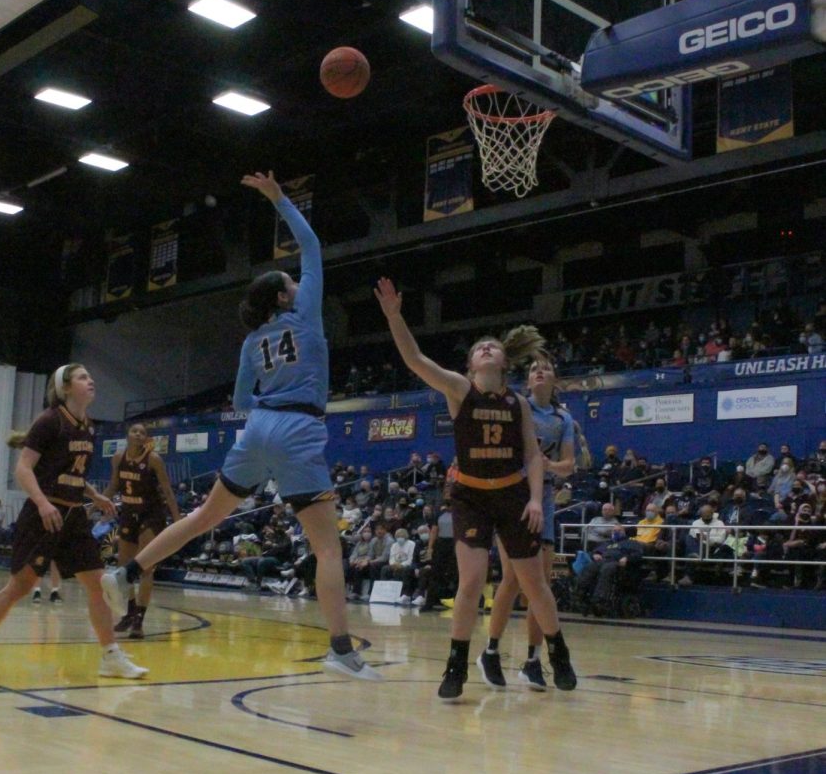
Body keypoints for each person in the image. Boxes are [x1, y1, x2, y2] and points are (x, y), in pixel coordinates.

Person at [101, 172, 381, 681]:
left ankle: (125, 572)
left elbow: (236, 399)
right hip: (297, 427)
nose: (298, 284)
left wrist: (269, 405)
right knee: (326, 548)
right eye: (291, 284)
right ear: (281, 297)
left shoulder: (252, 342)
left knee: (204, 516)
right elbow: (312, 246)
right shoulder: (306, 316)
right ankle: (341, 649)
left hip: (258, 427)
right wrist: (279, 199)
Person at [374, 277, 576, 700]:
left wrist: (537, 499)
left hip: (513, 495)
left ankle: (557, 652)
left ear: (503, 363)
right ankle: (455, 664)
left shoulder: (517, 403)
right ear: (469, 365)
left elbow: (534, 456)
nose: (486, 348)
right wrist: (394, 316)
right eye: (478, 347)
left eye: (492, 346)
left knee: (533, 582)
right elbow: (414, 358)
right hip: (470, 497)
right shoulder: (460, 389)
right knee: (471, 582)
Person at [0, 363, 147, 680]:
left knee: (99, 587)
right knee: (19, 588)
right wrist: (43, 502)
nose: (91, 381)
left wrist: (94, 495)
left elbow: (73, 472)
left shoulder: (88, 426)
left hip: (73, 516)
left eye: (91, 375)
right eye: (83, 377)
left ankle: (110, 656)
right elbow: (24, 468)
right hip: (43, 516)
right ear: (65, 387)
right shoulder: (50, 421)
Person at [480, 355, 576, 691]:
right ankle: (490, 650)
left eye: (545, 368)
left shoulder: (563, 418)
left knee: (541, 584)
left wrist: (546, 466)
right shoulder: (518, 406)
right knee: (512, 579)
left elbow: (568, 465)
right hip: (512, 495)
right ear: (528, 379)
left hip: (544, 498)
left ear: (554, 379)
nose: (539, 371)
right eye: (533, 368)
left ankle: (533, 660)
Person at [104, 423, 180, 639]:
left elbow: (166, 490)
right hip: (128, 512)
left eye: (142, 432)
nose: (138, 434)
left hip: (151, 514)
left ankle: (139, 620)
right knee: (124, 568)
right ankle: (128, 613)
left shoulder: (154, 459)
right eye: (134, 431)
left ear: (146, 439)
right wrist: (98, 504)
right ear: (127, 435)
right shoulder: (118, 458)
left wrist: (177, 520)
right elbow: (112, 486)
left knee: (145, 566)